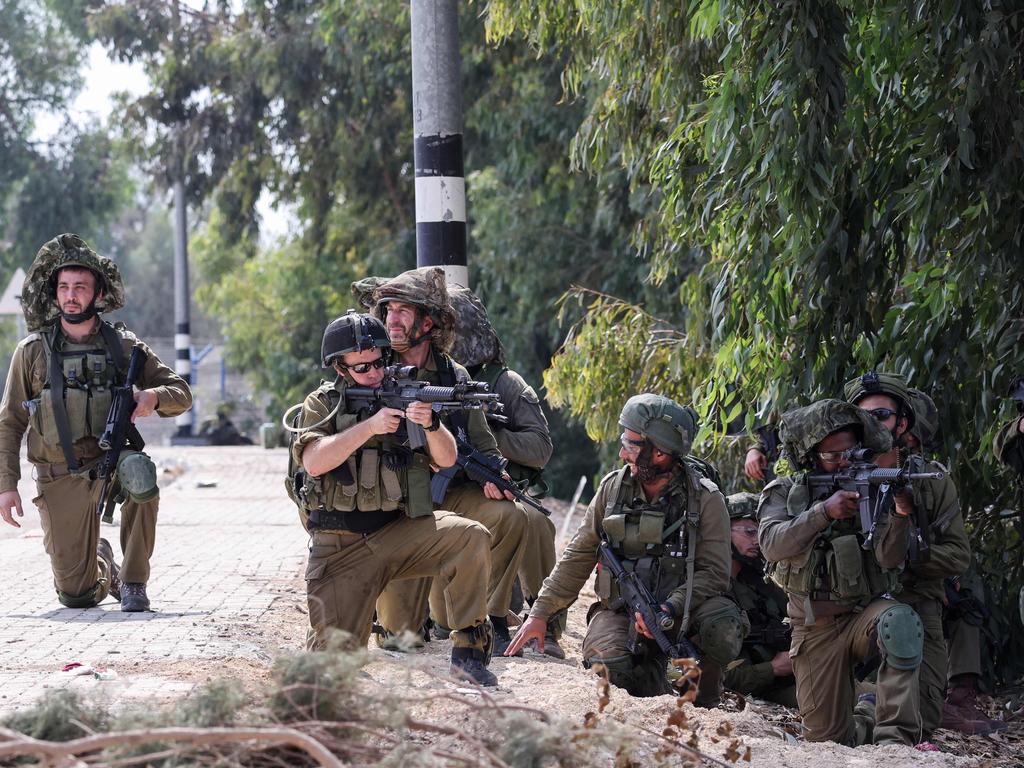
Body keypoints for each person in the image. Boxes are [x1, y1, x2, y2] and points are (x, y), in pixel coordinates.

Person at [289, 310, 497, 685]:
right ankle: (328, 638)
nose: (373, 373)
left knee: (471, 536)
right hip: (341, 549)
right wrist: (370, 426)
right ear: (340, 370)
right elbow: (314, 461)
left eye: (379, 363)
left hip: (401, 533)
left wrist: (430, 424)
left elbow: (447, 459)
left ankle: (470, 654)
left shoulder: (404, 391)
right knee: (334, 673)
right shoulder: (323, 404)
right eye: (361, 368)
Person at [506, 394, 745, 706]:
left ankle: (702, 694)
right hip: (621, 612)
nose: (621, 453)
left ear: (659, 453)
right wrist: (540, 614)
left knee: (720, 627)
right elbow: (578, 555)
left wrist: (668, 610)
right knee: (610, 673)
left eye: (631, 446)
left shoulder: (705, 500)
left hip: (683, 615)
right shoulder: (612, 489)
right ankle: (653, 679)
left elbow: (714, 574)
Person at [0, 234, 192, 612]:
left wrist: (152, 398)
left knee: (140, 471)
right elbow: (10, 422)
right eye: (64, 288)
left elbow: (180, 392)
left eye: (80, 287)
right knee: (77, 596)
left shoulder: (123, 346)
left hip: (114, 461)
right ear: (54, 294)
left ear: (98, 293)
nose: (71, 296)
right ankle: (105, 565)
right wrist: (7, 486)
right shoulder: (33, 352)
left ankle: (135, 582)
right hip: (59, 475)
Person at [367, 268, 530, 654]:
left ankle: (481, 617)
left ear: (431, 321)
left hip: (445, 494)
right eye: (388, 309)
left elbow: (483, 444)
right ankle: (398, 609)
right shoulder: (371, 367)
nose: (392, 318)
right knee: (400, 640)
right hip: (396, 506)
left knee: (511, 514)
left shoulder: (450, 374)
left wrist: (494, 474)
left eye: (404, 310)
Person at [759, 399, 923, 746]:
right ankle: (867, 713)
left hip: (863, 614)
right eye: (833, 455)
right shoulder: (787, 491)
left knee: (901, 622)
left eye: (850, 452)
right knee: (828, 742)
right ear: (811, 456)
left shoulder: (872, 488)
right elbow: (772, 544)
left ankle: (896, 742)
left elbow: (889, 560)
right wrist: (824, 513)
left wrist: (900, 513)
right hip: (814, 624)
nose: (844, 460)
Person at [843, 373, 969, 742]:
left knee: (924, 719)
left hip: (915, 603)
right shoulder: (833, 474)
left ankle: (870, 705)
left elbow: (958, 555)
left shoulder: (931, 480)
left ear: (902, 422)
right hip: (851, 611)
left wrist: (904, 553)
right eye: (861, 415)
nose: (871, 424)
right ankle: (864, 706)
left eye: (881, 414)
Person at [446, 286, 562, 658]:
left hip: (499, 484)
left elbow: (540, 448)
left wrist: (485, 434)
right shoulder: (432, 374)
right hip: (451, 488)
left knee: (536, 522)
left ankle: (547, 623)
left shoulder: (505, 385)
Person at [722, 492, 796, 707]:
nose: (757, 540)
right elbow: (715, 678)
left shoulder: (761, 583)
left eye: (762, 532)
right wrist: (773, 668)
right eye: (749, 532)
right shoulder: (710, 591)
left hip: (794, 678)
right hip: (765, 693)